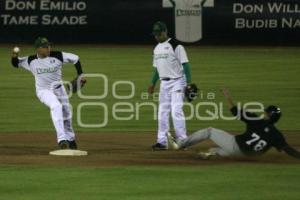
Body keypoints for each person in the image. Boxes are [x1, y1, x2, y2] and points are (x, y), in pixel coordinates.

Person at [167, 89, 300, 159]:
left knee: (210, 131)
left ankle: (179, 144)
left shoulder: (257, 121)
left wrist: (227, 95)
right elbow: (287, 149)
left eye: (266, 112)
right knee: (214, 150)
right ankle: (212, 154)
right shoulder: (277, 135)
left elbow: (234, 110)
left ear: (269, 115)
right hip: (247, 156)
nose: (263, 113)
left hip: (236, 146)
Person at [11, 37, 86, 149]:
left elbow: (76, 58)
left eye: (49, 46)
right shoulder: (31, 60)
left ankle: (70, 139)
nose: (48, 48)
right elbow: (16, 64)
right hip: (43, 91)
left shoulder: (58, 55)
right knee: (56, 106)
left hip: (60, 89)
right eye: (45, 47)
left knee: (67, 114)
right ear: (38, 49)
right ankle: (62, 139)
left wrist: (80, 74)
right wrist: (14, 55)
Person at [148, 21, 193, 150]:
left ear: (165, 32)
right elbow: (157, 68)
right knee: (162, 112)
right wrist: (152, 82)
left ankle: (183, 140)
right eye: (155, 34)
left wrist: (188, 83)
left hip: (178, 81)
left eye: (159, 34)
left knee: (176, 110)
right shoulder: (156, 48)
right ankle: (162, 142)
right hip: (164, 83)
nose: (157, 37)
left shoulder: (176, 46)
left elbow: (185, 64)